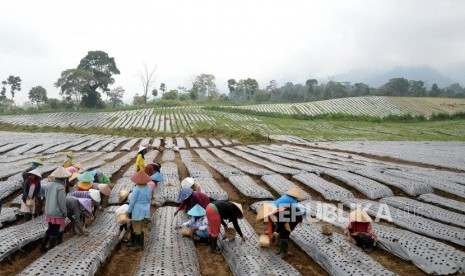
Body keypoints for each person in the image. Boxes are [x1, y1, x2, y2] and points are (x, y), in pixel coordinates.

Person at [40, 167, 69, 252]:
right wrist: (64, 212)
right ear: (63, 178)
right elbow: (62, 202)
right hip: (56, 212)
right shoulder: (60, 187)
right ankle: (51, 249)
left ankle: (42, 247)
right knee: (55, 231)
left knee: (50, 228)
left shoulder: (48, 184)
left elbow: (45, 195)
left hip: (48, 210)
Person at [126, 171, 152, 251]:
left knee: (136, 227)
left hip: (137, 210)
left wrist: (128, 211)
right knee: (139, 225)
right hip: (145, 209)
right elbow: (149, 199)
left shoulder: (136, 189)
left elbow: (132, 202)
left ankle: (139, 245)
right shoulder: (148, 187)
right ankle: (134, 242)